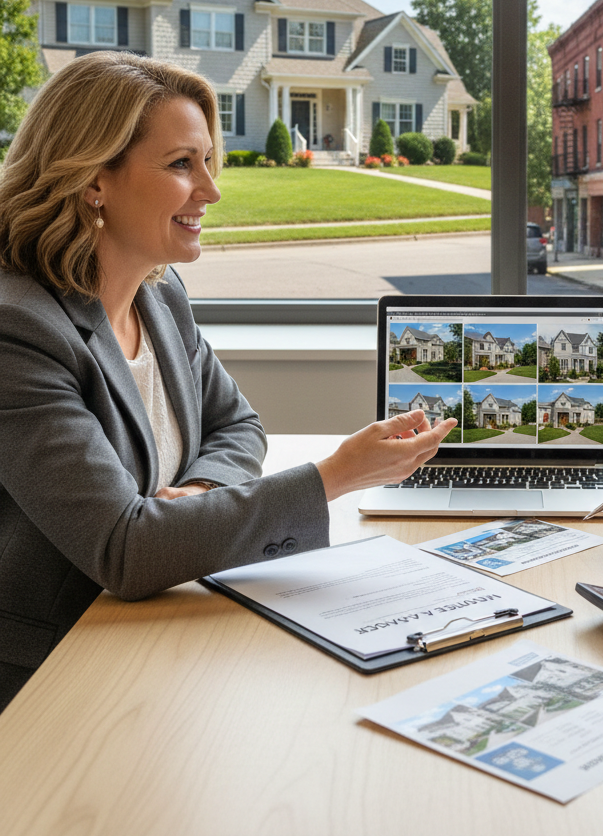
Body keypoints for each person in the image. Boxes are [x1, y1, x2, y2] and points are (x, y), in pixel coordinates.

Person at [0, 52, 455, 712]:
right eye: (182, 164)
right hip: (53, 673)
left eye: (208, 161)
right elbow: (124, 548)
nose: (211, 190)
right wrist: (336, 476)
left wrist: (203, 494)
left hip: (158, 628)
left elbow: (237, 426)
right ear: (95, 177)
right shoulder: (19, 331)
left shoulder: (160, 296)